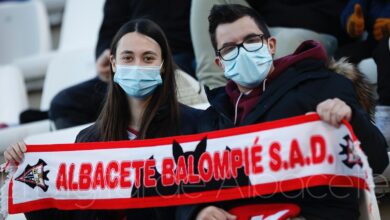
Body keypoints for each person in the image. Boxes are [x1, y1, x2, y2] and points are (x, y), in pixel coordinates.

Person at [177, 4, 389, 220]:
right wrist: (197, 211)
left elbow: (378, 161)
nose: (243, 52)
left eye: (251, 41)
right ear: (220, 63)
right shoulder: (213, 117)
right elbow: (182, 185)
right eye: (230, 48)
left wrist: (351, 119)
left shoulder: (322, 86)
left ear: (271, 45)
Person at [4, 18, 202, 220]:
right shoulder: (90, 140)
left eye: (148, 58)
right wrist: (25, 172)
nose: (137, 66)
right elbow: (70, 215)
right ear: (113, 64)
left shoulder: (197, 126)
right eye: (128, 58)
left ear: (163, 65)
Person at [49, 0, 195, 130]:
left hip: (180, 61)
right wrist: (105, 55)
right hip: (128, 61)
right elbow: (109, 28)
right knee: (64, 104)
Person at [191, 0, 349, 89]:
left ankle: (272, 106)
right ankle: (216, 96)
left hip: (318, 28)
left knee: (287, 40)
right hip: (262, 24)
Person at [335, 0, 390, 144]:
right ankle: (349, 109)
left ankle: (385, 111)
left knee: (384, 50)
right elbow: (354, 7)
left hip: (386, 44)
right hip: (373, 40)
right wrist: (352, 21)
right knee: (342, 55)